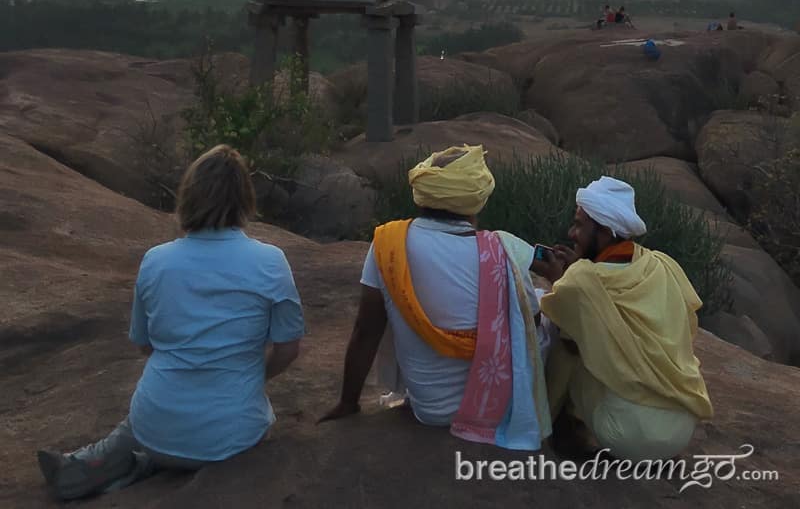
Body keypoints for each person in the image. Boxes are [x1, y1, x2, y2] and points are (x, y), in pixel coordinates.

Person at [37, 145, 306, 501]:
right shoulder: (271, 261)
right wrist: (254, 375)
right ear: (244, 199)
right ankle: (139, 463)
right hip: (233, 435)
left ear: (188, 197)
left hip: (155, 424)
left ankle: (97, 465)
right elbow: (288, 349)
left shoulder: (156, 261)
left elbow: (144, 344)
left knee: (141, 425)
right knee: (226, 426)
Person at [320, 145, 552, 451]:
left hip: (428, 409)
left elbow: (366, 330)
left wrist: (348, 402)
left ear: (424, 194)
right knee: (547, 310)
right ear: (476, 199)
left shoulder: (389, 245)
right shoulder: (504, 251)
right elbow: (529, 329)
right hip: (494, 409)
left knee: (394, 300)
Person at [533, 176, 712, 461]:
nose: (571, 232)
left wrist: (561, 282)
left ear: (604, 231)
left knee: (565, 341)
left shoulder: (580, 282)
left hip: (628, 435)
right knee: (590, 334)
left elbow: (570, 319)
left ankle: (550, 428)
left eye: (579, 225)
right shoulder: (660, 264)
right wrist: (576, 274)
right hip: (679, 431)